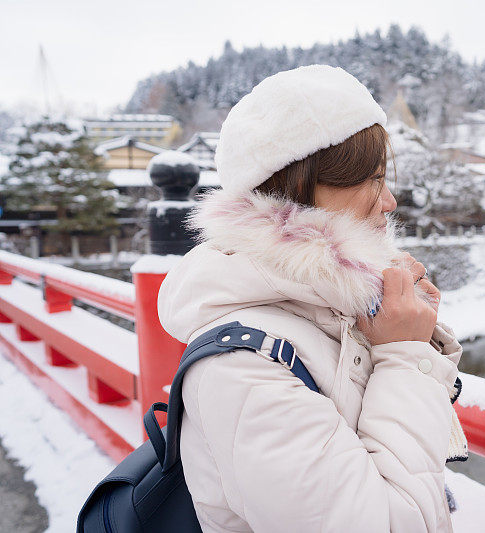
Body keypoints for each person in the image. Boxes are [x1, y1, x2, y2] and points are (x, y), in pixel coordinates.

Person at [157, 64, 468, 533]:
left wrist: (408, 329)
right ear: (305, 186)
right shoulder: (243, 370)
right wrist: (403, 355)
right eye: (375, 180)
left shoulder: (326, 306)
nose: (390, 203)